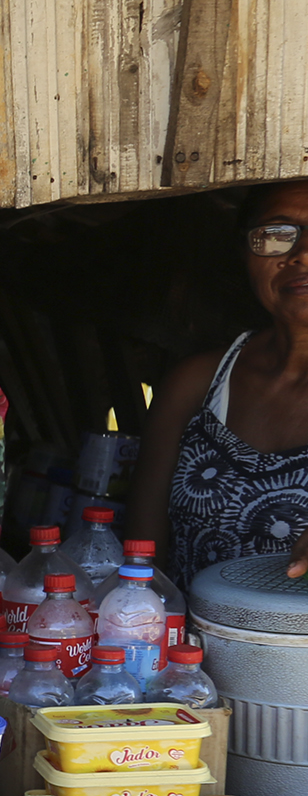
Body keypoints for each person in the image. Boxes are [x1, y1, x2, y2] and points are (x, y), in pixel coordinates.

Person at [127, 180, 308, 584]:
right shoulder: (197, 383)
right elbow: (142, 555)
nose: (302, 255)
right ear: (245, 252)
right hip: (182, 643)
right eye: (276, 235)